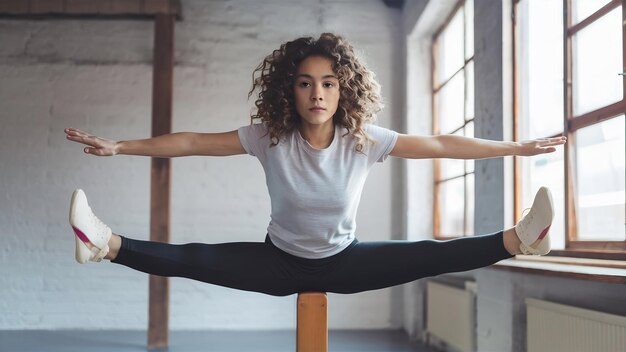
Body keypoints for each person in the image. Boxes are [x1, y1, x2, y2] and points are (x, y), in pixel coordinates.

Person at [65, 33, 566, 297]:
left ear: (343, 88)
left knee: (428, 253)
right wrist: (121, 146)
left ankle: (524, 240)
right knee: (196, 258)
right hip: (276, 260)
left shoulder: (363, 141)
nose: (317, 92)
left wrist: (517, 147)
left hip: (345, 261)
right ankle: (101, 244)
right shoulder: (269, 137)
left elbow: (438, 144)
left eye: (328, 82)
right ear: (291, 89)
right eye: (305, 82)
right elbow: (194, 141)